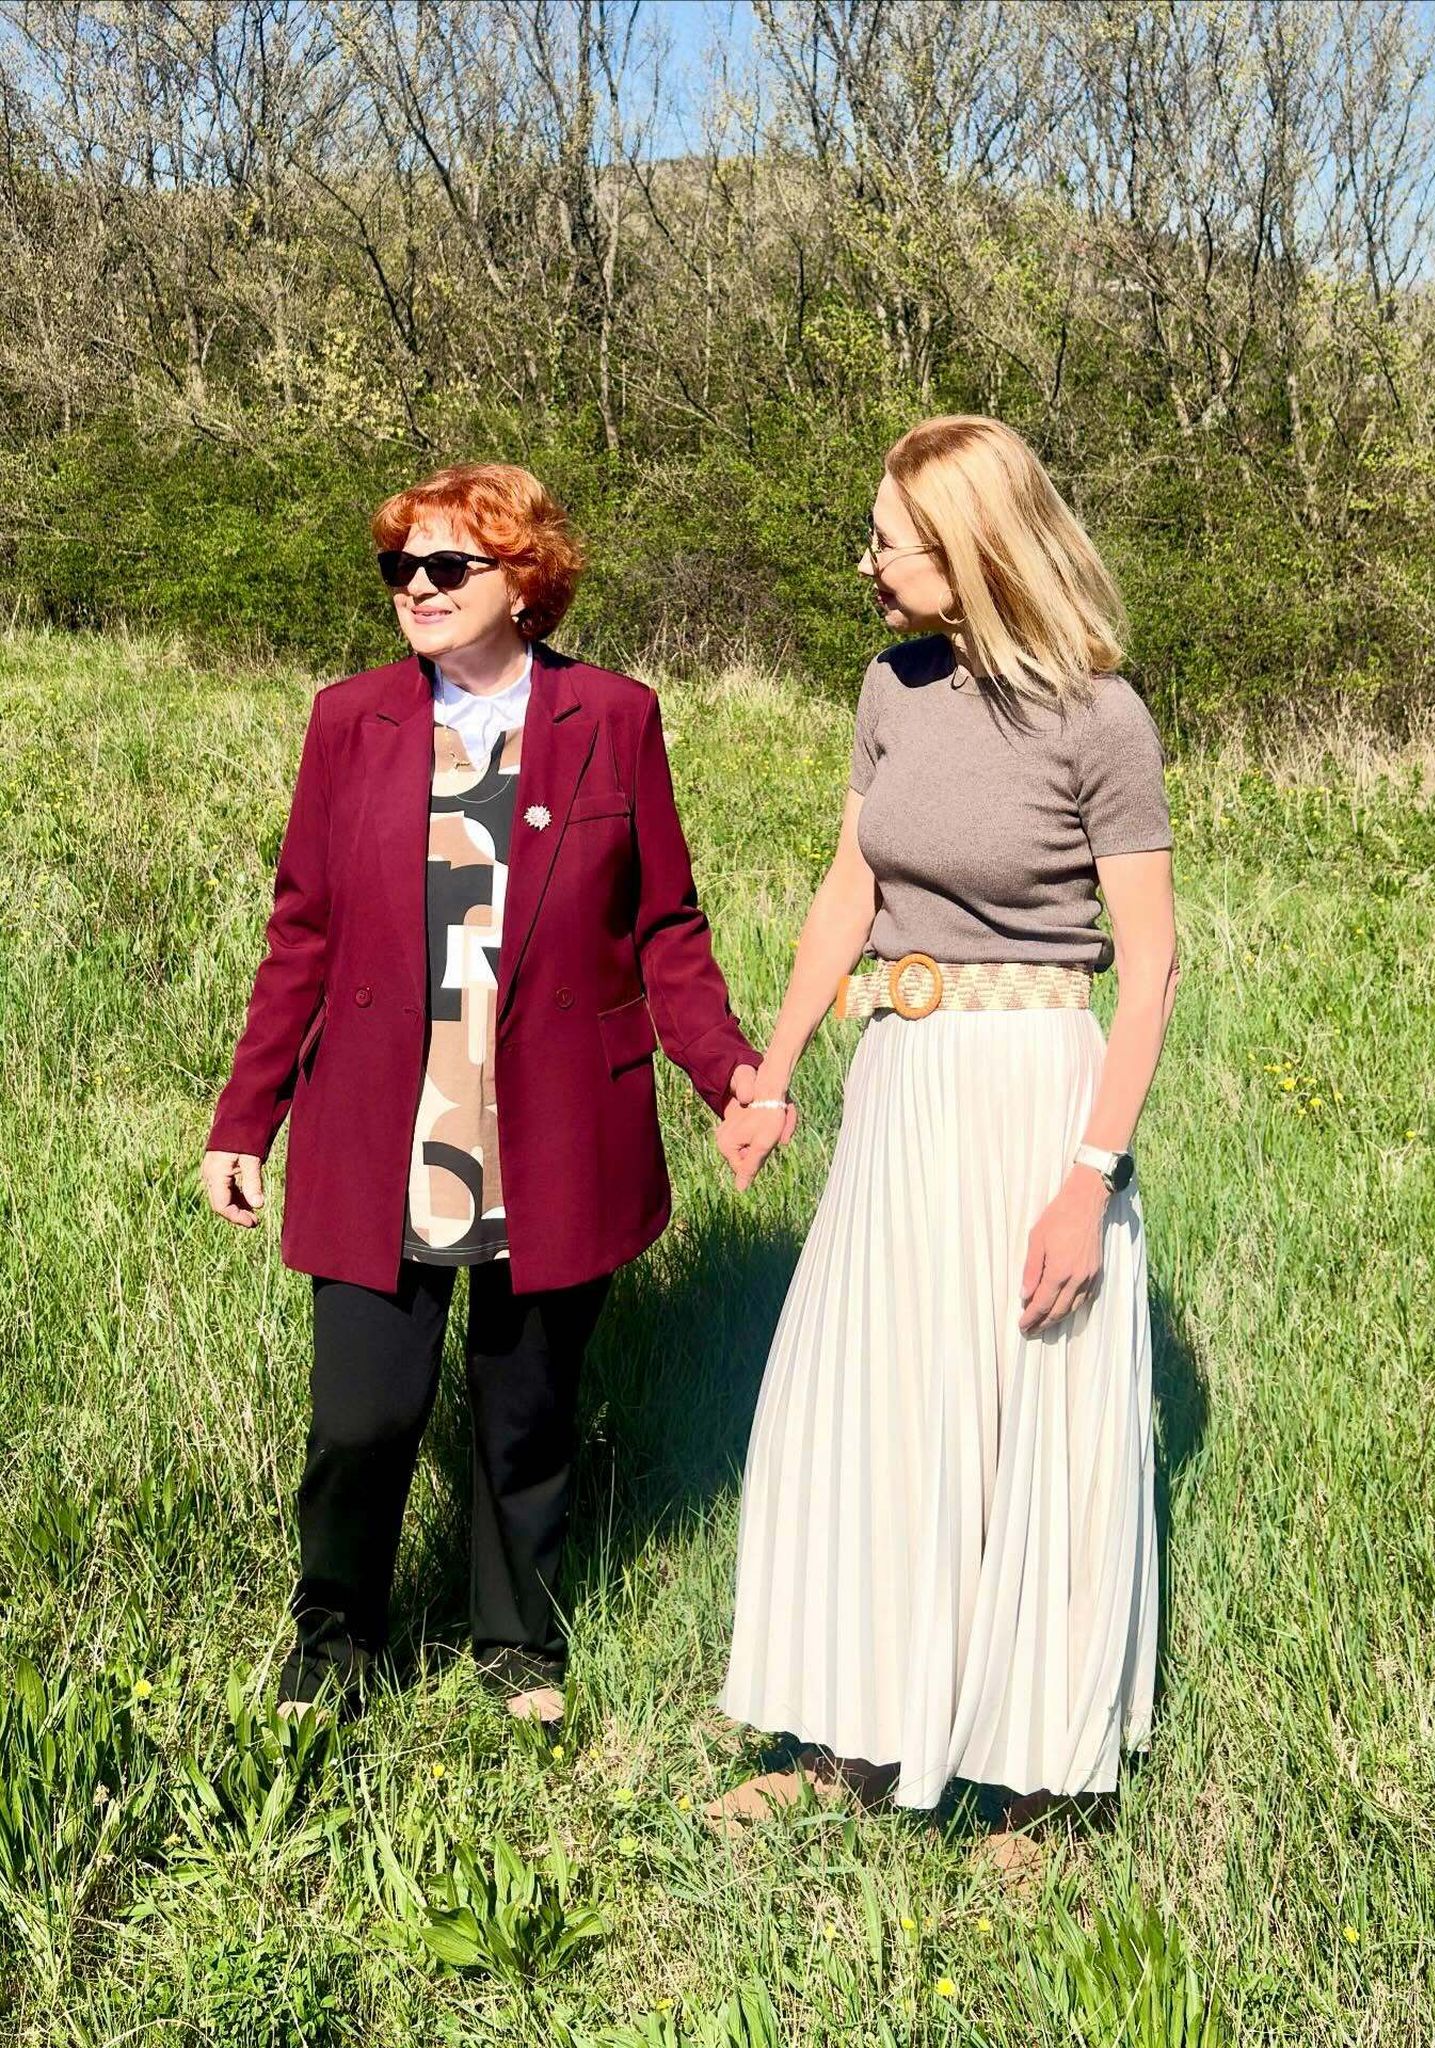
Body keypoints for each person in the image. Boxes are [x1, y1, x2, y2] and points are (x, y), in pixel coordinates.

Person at [200, 461, 780, 1723]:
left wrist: (729, 1071)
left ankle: (517, 1640)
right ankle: (333, 1638)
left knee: (525, 1413)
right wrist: (245, 1118)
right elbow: (301, 930)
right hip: (383, 1118)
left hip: (553, 1118)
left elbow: (664, 924)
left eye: (446, 565)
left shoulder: (613, 716)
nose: (416, 586)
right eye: (399, 565)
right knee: (363, 1414)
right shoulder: (348, 718)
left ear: (525, 581)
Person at [708, 416, 1179, 1874]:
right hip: (901, 1082)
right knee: (865, 1407)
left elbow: (1150, 969)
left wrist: (1086, 1184)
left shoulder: (1102, 718)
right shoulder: (890, 687)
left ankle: (1039, 1787)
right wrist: (772, 1072)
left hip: (1035, 1092)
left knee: (1034, 1420)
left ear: (970, 546)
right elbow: (847, 891)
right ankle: (848, 1743)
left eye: (888, 541)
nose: (866, 564)